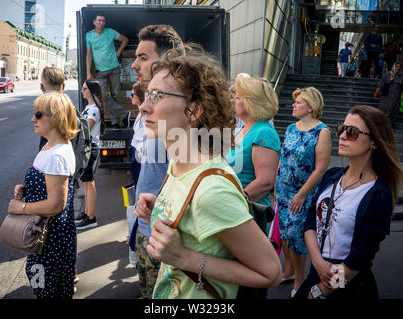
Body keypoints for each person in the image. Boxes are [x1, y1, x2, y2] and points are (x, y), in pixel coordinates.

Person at [134, 51, 282, 299]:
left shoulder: (211, 191)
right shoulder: (178, 165)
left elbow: (271, 274)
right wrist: (161, 209)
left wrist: (183, 257)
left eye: (157, 96)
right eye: (147, 94)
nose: (143, 106)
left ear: (193, 109)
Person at [294, 105, 403, 300]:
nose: (343, 136)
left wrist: (320, 291)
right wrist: (318, 262)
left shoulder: (378, 194)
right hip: (317, 272)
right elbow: (311, 221)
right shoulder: (331, 176)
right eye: (342, 129)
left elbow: (359, 260)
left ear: (374, 143)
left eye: (352, 132)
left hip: (346, 286)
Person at [131, 24, 184, 299]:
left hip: (166, 235)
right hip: (147, 226)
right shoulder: (153, 108)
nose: (134, 64)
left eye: (142, 57)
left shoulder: (181, 115)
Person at [8, 92, 78, 298]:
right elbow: (46, 185)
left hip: (51, 246)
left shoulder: (57, 155)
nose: (32, 119)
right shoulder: (50, 147)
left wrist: (19, 207)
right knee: (43, 288)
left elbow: (56, 204)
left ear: (56, 117)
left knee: (47, 291)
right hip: (46, 241)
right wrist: (26, 188)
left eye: (38, 115)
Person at [275, 87, 332, 298]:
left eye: (298, 102)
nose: (293, 105)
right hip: (283, 189)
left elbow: (320, 168)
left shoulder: (322, 131)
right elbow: (284, 156)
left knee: (296, 235)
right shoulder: (291, 128)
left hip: (304, 192)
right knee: (285, 234)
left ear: (311, 107)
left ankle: (300, 277)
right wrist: (276, 182)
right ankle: (290, 271)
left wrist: (301, 194)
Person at [225, 76, 280, 211]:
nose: (233, 102)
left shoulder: (264, 132)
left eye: (237, 98)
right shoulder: (244, 129)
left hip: (246, 214)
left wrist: (235, 205)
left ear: (250, 103)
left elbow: (265, 182)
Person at [86, 14, 129, 128]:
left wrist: (118, 53)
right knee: (104, 96)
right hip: (100, 71)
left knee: (116, 96)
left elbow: (125, 40)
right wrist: (88, 72)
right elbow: (89, 54)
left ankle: (116, 123)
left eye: (103, 21)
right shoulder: (89, 36)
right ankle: (124, 114)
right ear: (94, 22)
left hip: (114, 68)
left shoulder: (110, 32)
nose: (101, 23)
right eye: (99, 20)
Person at [75, 80, 105, 230]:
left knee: (89, 182)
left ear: (92, 91)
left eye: (85, 89)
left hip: (90, 148)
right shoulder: (88, 107)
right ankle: (86, 213)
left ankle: (91, 218)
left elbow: (85, 129)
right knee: (86, 183)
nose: (82, 91)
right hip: (86, 147)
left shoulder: (94, 109)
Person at [38, 66, 66, 151]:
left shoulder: (45, 111)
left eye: (37, 115)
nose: (33, 119)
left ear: (42, 87)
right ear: (63, 86)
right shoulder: (71, 109)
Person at [129, 82, 146, 186]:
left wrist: (141, 152)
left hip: (140, 153)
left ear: (140, 96)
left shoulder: (146, 116)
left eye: (132, 95)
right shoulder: (140, 113)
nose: (130, 97)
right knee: (136, 182)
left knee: (140, 183)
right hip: (134, 150)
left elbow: (149, 136)